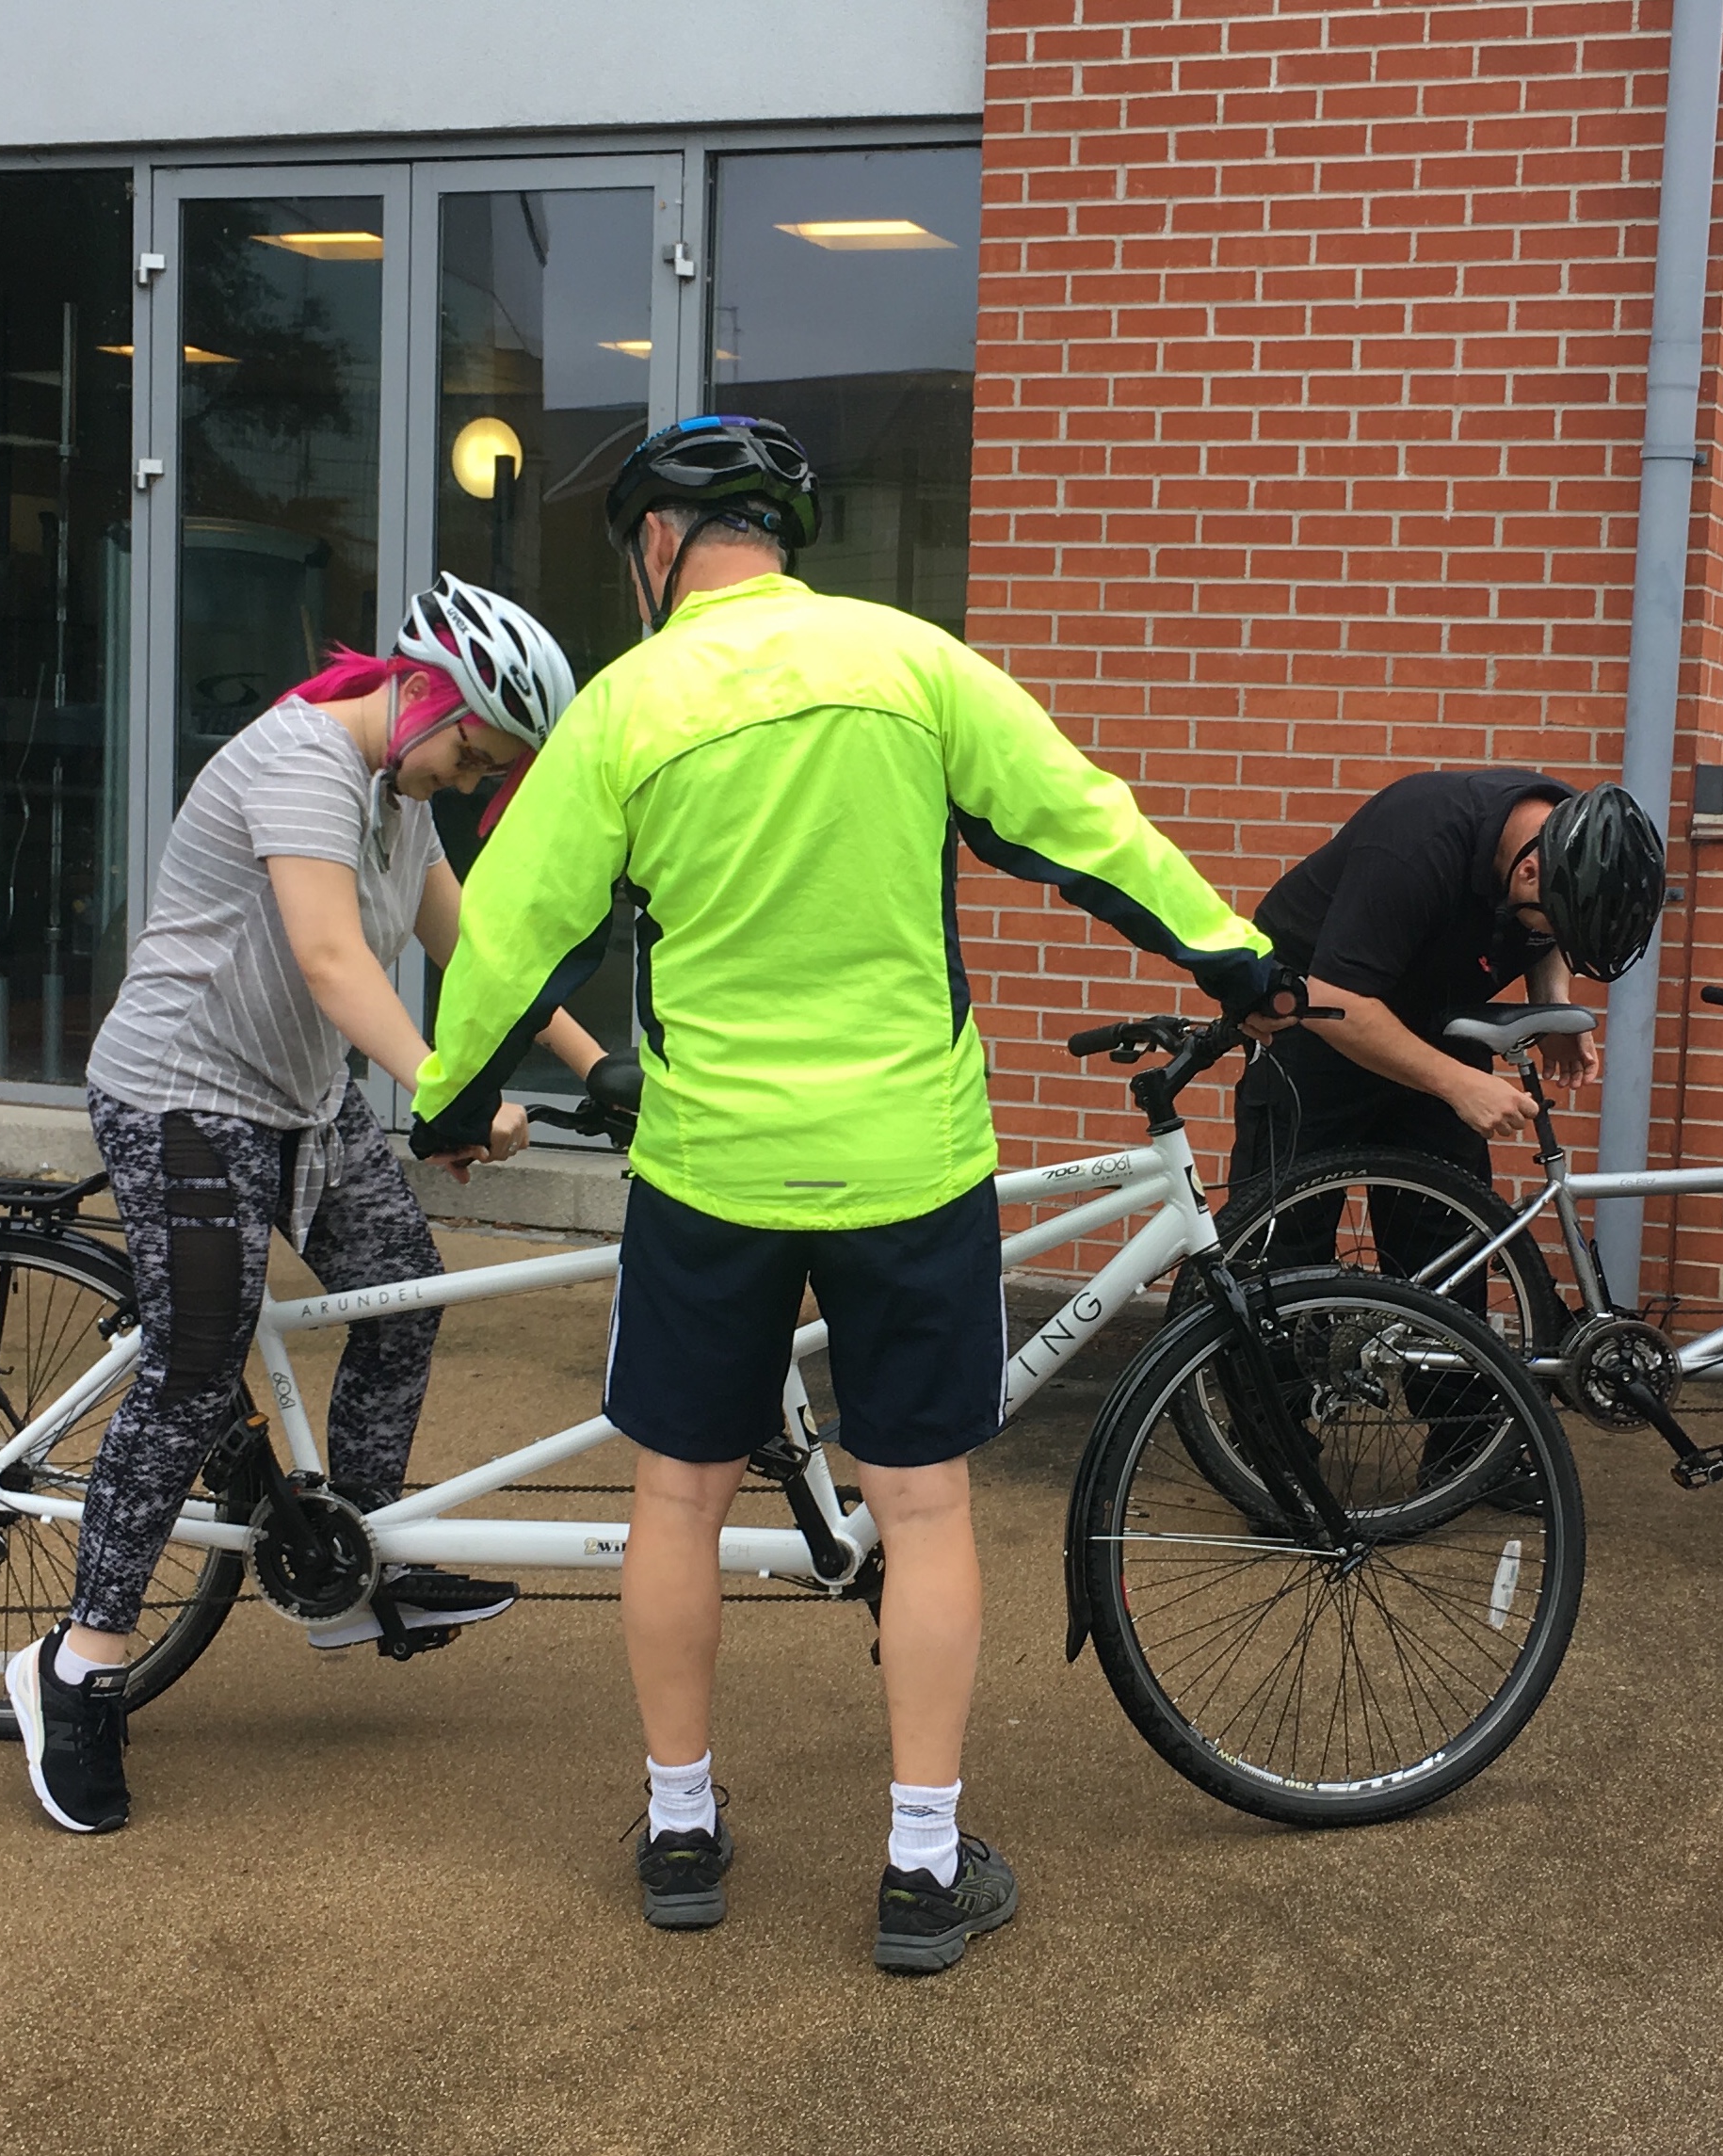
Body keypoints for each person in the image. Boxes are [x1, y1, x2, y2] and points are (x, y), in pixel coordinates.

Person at [411, 415, 1287, 1973]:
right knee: (924, 1502)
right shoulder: (914, 665)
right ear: (778, 537)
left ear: (659, 544)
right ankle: (921, 1870)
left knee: (678, 1493)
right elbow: (1085, 824)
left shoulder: (628, 705)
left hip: (711, 1166)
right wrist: (1232, 955)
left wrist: (452, 1102)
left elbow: (512, 933)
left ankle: (681, 1834)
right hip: (907, 1159)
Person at [7, 575, 604, 1835]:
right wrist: (443, 1091)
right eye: (471, 753)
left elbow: (479, 952)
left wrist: (600, 1069)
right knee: (194, 1370)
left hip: (300, 1103)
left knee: (401, 1298)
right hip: (183, 1093)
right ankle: (79, 1665)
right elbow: (333, 959)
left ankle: (354, 1559)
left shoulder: (399, 799)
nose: (467, 779)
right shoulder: (300, 763)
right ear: (423, 691)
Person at [1231, 772, 1662, 1264]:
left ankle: (1430, 1317)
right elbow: (1333, 998)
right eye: (1559, 925)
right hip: (1319, 1014)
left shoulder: (1575, 839)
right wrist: (1459, 1084)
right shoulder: (1416, 842)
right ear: (1528, 872)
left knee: (1445, 1237)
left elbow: (1552, 932)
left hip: (1440, 1008)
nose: (1558, 937)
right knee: (1284, 1233)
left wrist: (1551, 1003)